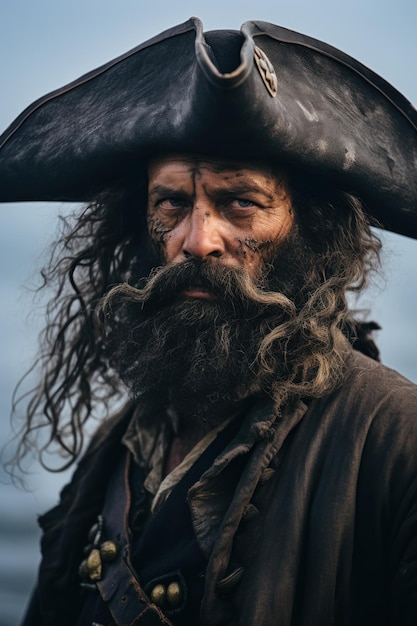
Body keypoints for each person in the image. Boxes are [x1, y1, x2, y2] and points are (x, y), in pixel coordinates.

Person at [1, 17, 417, 626]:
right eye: (172, 202)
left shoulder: (395, 440)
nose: (198, 241)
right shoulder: (116, 448)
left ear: (312, 231)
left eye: (240, 203)